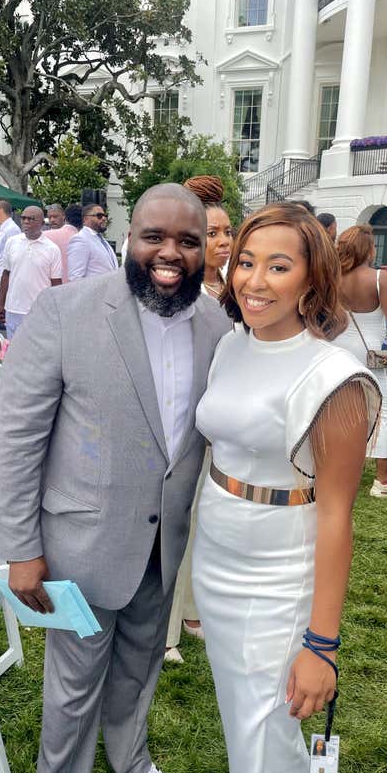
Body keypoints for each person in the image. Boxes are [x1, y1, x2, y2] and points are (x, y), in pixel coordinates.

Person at [0, 183, 230, 773]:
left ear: (206, 249)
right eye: (155, 236)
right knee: (72, 688)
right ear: (130, 236)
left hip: (164, 541)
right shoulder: (66, 310)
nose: (169, 252)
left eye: (187, 240)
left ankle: (131, 760)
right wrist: (20, 547)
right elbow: (17, 437)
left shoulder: (214, 320)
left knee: (140, 666)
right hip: (82, 542)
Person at [192, 204, 382, 773]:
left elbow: (336, 517)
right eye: (245, 262)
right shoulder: (230, 346)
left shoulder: (336, 378)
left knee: (268, 734)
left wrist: (321, 644)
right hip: (216, 560)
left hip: (279, 577)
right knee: (244, 730)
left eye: (277, 266)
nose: (253, 280)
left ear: (310, 279)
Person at [164, 175, 235, 664]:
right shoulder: (181, 293)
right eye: (211, 233)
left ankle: (191, 613)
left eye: (228, 231)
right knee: (176, 523)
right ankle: (165, 630)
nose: (223, 240)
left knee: (204, 524)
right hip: (186, 423)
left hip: (223, 423)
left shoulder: (236, 286)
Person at [334, 225, 387, 497]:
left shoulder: (333, 276)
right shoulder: (381, 277)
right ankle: (383, 479)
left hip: (337, 347)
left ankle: (336, 470)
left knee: (338, 410)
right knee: (382, 412)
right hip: (369, 353)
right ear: (368, 248)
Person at [0, 206, 62, 339]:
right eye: (23, 218)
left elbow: (56, 284)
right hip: (13, 309)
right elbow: (6, 275)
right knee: (13, 351)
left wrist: (55, 311)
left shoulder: (52, 249)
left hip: (38, 311)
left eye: (31, 219)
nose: (26, 222)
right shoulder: (12, 243)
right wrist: (1, 304)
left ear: (42, 224)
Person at [67, 203, 119, 279]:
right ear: (85, 219)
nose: (104, 218)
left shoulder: (101, 239)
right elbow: (75, 277)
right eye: (99, 216)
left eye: (105, 216)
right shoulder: (80, 239)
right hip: (93, 290)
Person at [43, 203, 80, 284]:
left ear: (64, 216)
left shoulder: (76, 235)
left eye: (55, 216)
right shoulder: (44, 235)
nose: (52, 220)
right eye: (49, 217)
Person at [0, 198, 21, 285]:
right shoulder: (6, 228)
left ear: (0, 211)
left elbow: (14, 258)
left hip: (4, 280)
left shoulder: (12, 229)